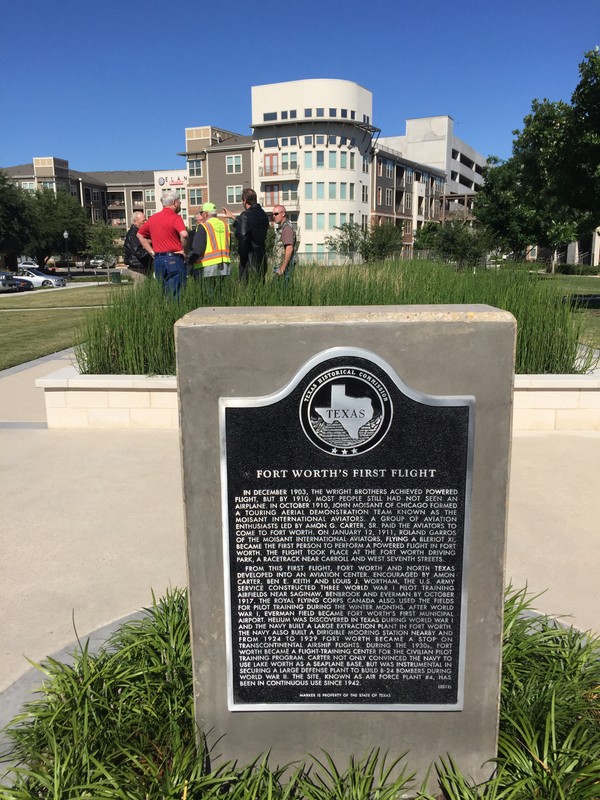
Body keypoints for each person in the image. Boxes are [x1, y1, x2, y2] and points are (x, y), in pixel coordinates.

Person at [137, 192, 188, 297]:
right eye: (179, 201)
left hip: (158, 260)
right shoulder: (175, 217)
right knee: (176, 294)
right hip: (174, 258)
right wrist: (184, 250)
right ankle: (176, 313)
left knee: (164, 293)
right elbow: (184, 234)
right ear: (174, 203)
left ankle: (166, 312)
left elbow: (140, 235)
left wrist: (152, 252)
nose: (180, 203)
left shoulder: (153, 218)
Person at [223, 188, 269, 282]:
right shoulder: (264, 215)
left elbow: (243, 236)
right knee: (260, 287)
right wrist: (232, 216)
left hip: (249, 261)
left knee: (247, 290)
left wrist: (243, 256)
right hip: (262, 258)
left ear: (244, 200)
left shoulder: (245, 215)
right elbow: (251, 226)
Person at [186, 202, 231, 285]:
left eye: (202, 213)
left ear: (205, 214)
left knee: (207, 296)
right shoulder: (226, 226)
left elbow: (197, 249)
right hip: (224, 267)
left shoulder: (204, 226)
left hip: (207, 268)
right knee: (220, 295)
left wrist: (188, 261)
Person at [123, 211, 152, 285]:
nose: (146, 222)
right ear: (135, 222)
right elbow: (140, 253)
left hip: (144, 268)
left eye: (146, 220)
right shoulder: (132, 235)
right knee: (141, 293)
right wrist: (151, 250)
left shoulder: (141, 233)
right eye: (143, 221)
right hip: (138, 270)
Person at [272, 205, 296, 281]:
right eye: (273, 214)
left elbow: (289, 248)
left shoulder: (286, 228)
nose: (274, 216)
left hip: (283, 268)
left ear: (283, 214)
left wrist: (283, 267)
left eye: (276, 214)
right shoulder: (282, 228)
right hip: (280, 265)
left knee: (281, 290)